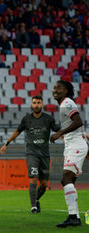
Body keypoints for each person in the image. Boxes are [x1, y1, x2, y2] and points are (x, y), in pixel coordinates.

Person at [0, 96, 61, 214]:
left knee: (44, 184)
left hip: (44, 155)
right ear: (32, 105)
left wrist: (63, 137)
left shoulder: (48, 119)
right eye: (34, 103)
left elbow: (58, 130)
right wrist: (6, 143)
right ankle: (33, 207)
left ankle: (37, 199)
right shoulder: (26, 119)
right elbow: (17, 131)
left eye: (38, 102)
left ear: (42, 104)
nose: (36, 105)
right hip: (31, 153)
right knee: (33, 178)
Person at [50, 80, 89, 227]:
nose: (55, 90)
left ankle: (73, 217)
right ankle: (74, 217)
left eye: (59, 88)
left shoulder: (67, 103)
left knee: (65, 178)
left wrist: (59, 132)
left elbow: (78, 121)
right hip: (73, 145)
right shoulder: (64, 104)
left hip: (76, 146)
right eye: (54, 88)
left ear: (66, 91)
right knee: (69, 181)